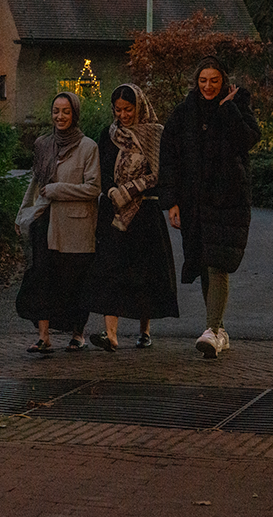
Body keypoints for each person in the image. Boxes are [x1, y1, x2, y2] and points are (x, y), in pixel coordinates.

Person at [159, 56, 260, 359]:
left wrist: (228, 109)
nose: (208, 86)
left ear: (223, 80)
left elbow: (248, 139)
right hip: (193, 200)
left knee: (218, 263)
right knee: (204, 262)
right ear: (196, 81)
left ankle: (212, 330)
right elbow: (169, 157)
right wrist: (171, 202)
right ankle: (218, 330)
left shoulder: (237, 106)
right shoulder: (184, 112)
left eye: (214, 80)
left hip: (227, 199)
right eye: (203, 80)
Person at [85, 84, 178, 351]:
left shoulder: (155, 134)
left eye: (128, 109)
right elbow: (102, 169)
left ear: (139, 107)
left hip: (144, 212)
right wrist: (112, 191)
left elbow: (161, 173)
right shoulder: (109, 134)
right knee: (110, 269)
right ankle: (110, 334)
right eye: (118, 110)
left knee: (144, 272)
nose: (123, 115)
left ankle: (144, 330)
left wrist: (132, 189)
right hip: (113, 211)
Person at [14, 91, 101, 353]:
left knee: (74, 281)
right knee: (42, 277)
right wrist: (22, 214)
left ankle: (78, 334)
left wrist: (58, 189)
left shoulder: (88, 147)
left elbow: (93, 188)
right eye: (56, 111)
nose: (60, 116)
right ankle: (44, 337)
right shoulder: (43, 144)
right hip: (45, 220)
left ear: (75, 114)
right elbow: (35, 183)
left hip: (76, 226)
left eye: (66, 111)